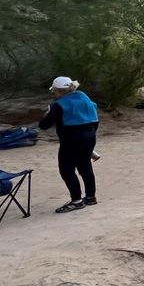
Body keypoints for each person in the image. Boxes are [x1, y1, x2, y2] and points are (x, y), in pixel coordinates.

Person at [39, 76, 100, 214]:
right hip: (90, 136)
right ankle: (90, 197)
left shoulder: (58, 105)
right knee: (85, 166)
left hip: (71, 140)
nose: (53, 93)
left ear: (59, 91)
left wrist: (47, 114)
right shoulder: (84, 97)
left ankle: (76, 201)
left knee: (66, 170)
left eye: (54, 91)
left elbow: (44, 125)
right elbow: (95, 118)